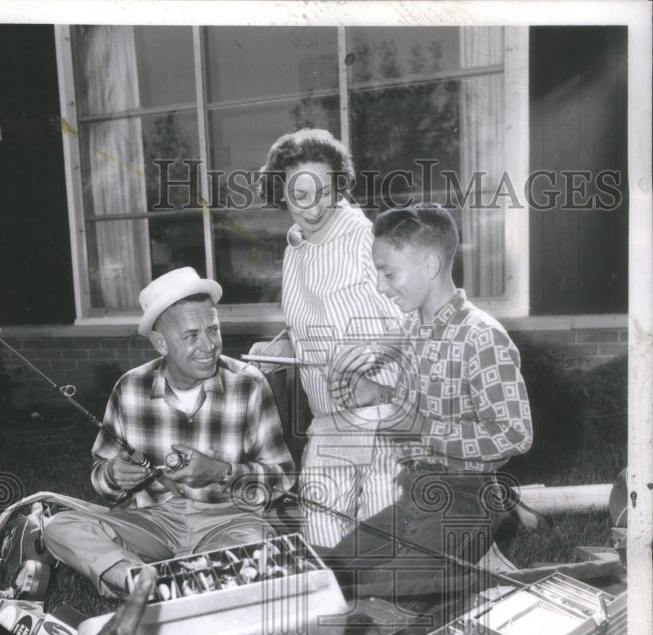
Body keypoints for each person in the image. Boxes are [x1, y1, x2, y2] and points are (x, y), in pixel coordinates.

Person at [321, 203, 533, 602]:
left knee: (378, 596)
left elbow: (514, 434)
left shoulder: (481, 336)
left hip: (465, 501)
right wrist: (373, 394)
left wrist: (420, 426)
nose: (382, 287)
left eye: (388, 273)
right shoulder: (414, 327)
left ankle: (461, 591)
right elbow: (413, 412)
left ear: (431, 265)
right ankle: (453, 587)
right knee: (326, 574)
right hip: (416, 496)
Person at [43, 267, 295, 596]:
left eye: (213, 330)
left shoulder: (249, 383)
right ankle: (140, 582)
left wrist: (222, 472)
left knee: (257, 541)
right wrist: (115, 476)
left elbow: (284, 478)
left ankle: (168, 584)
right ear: (161, 343)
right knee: (61, 526)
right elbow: (100, 477)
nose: (209, 346)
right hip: (153, 522)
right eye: (191, 336)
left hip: (229, 519)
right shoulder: (130, 388)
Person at [252, 129, 404, 549]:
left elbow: (421, 320)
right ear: (280, 192)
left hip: (382, 416)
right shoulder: (295, 250)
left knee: (379, 541)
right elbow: (312, 319)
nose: (314, 206)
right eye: (300, 194)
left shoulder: (365, 239)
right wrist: (283, 343)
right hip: (327, 417)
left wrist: (376, 371)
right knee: (321, 535)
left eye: (324, 191)